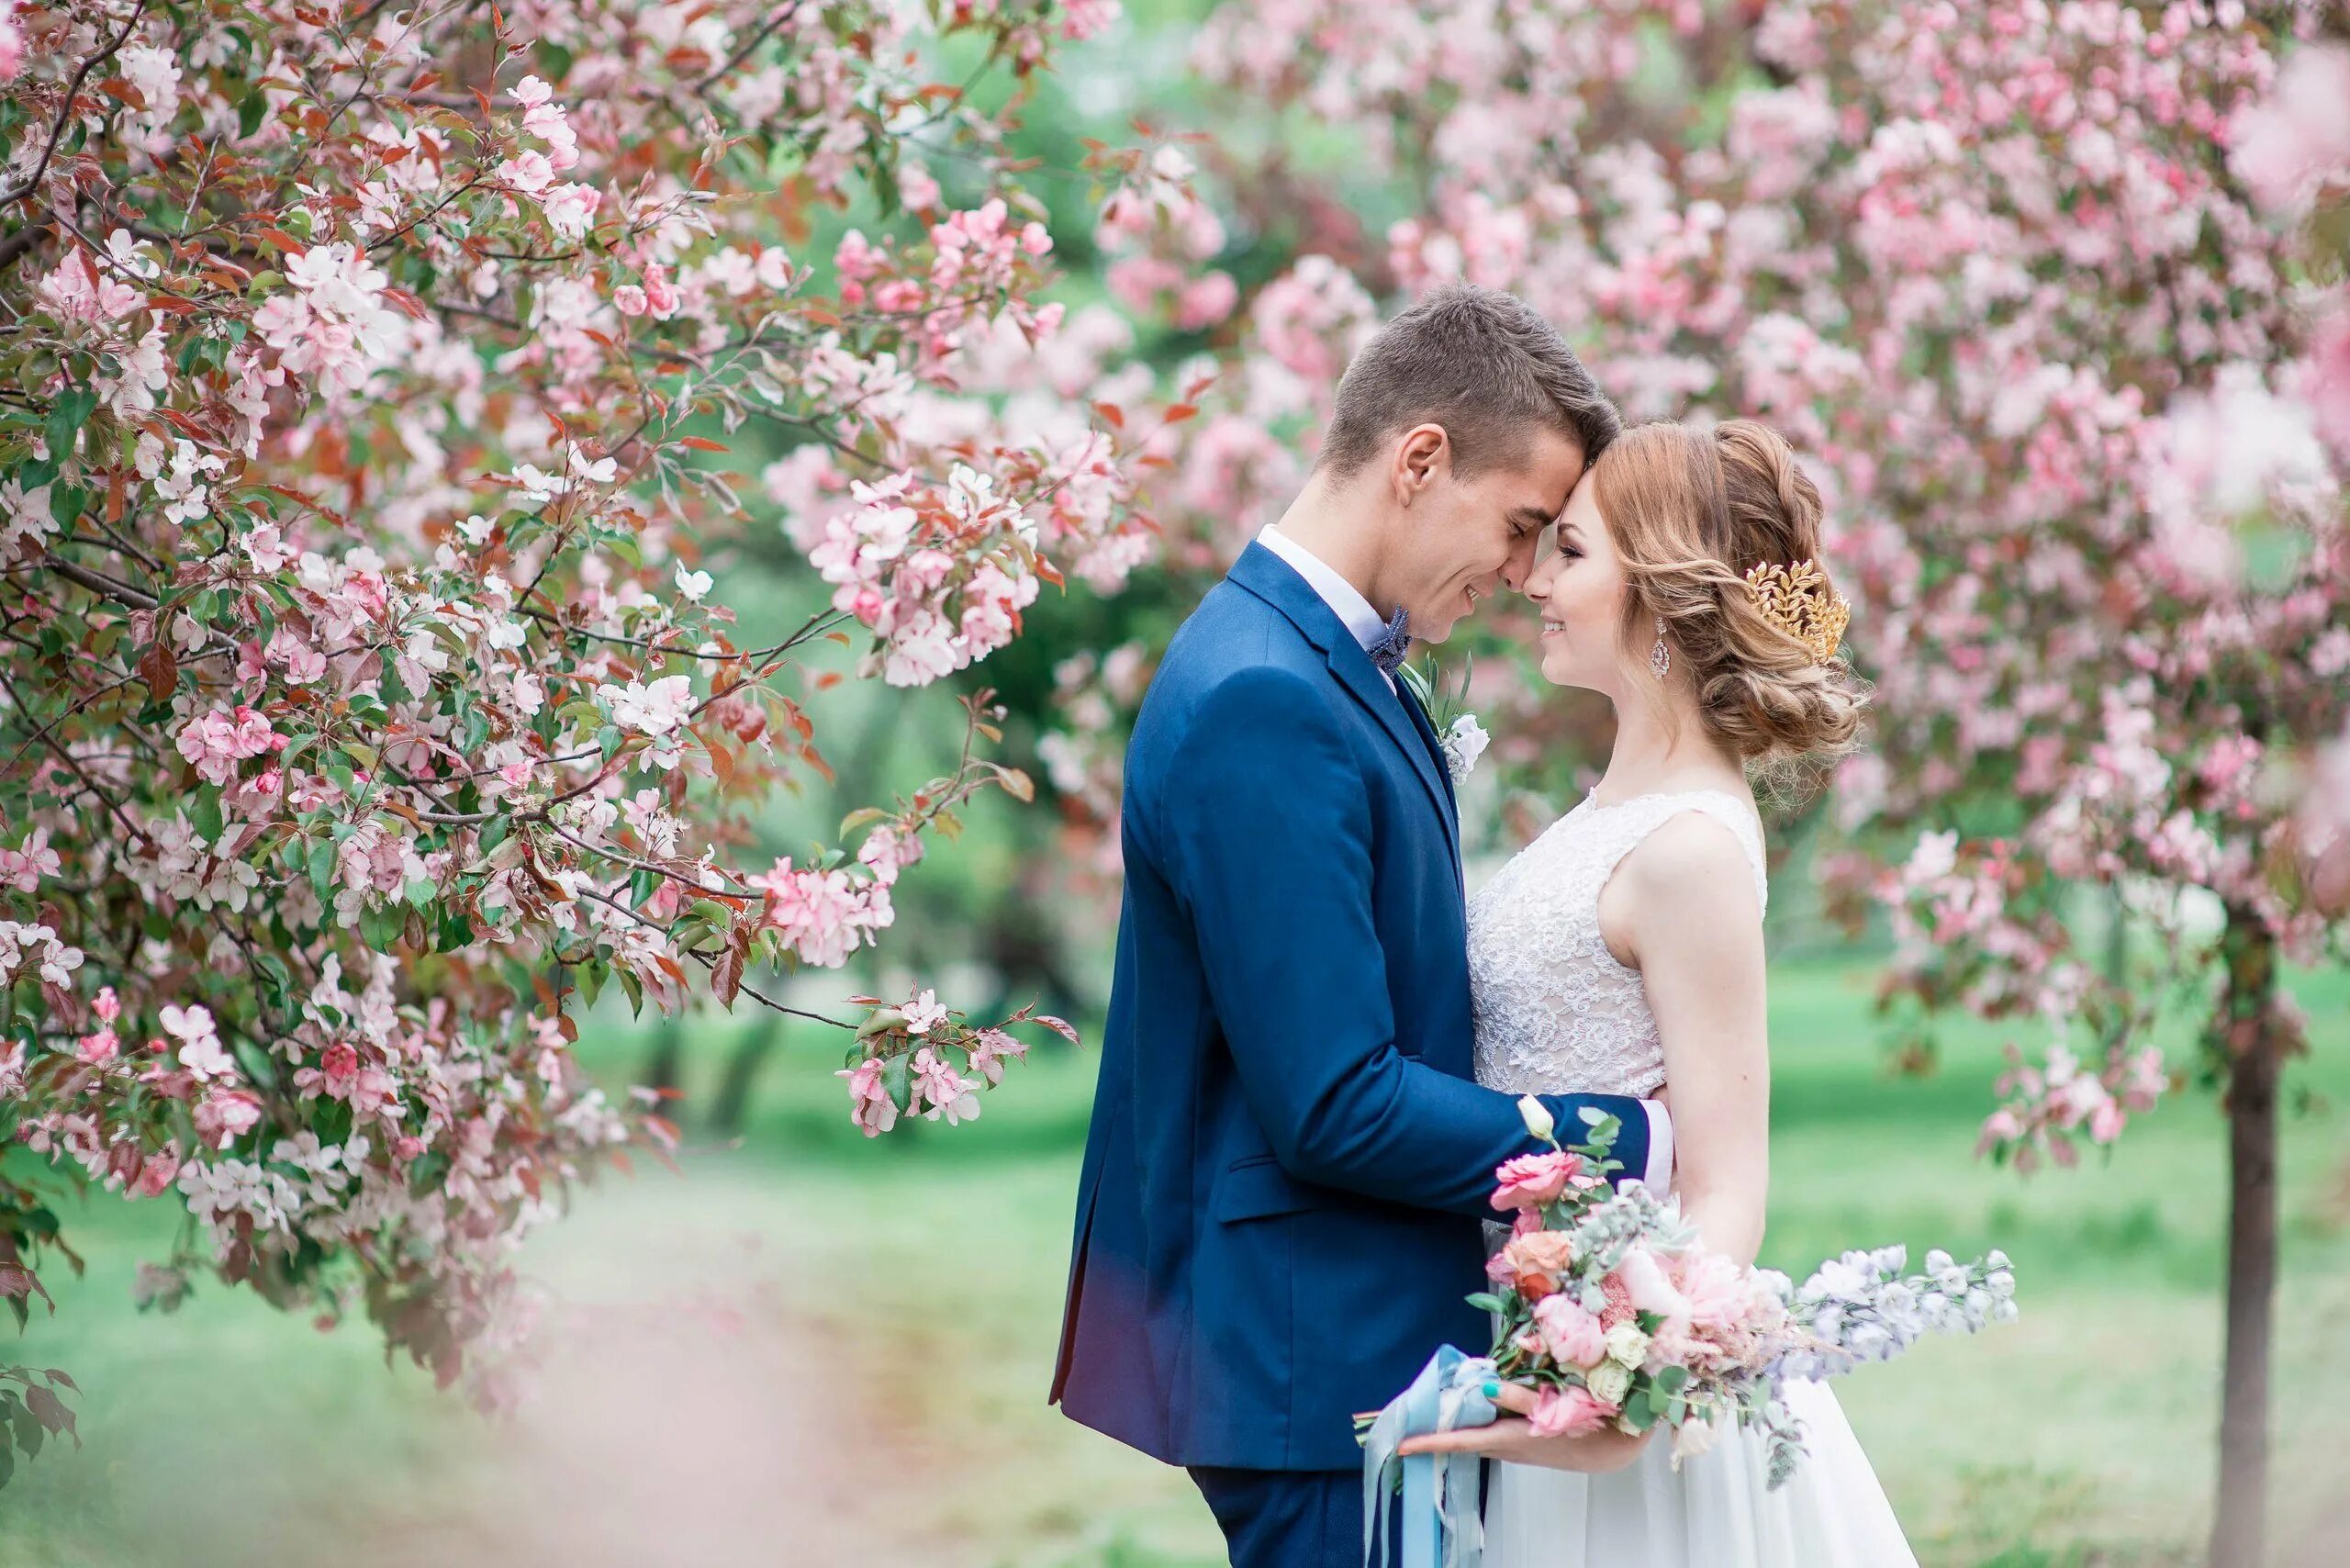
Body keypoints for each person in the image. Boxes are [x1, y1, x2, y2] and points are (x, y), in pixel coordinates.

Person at [1048, 284, 1676, 1568]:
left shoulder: (1308, 664)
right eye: (1517, 527)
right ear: (1420, 458)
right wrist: (1628, 1137)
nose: (1518, 574)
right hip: (1315, 1366)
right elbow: (1334, 1099)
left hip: (1345, 1345)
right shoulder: (1264, 698)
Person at [1397, 419, 1912, 1566]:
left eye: (1569, 553)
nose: (1529, 575)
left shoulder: (1690, 850)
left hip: (1622, 1399)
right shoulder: (1617, 810)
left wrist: (1627, 1386)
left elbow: (1727, 1185)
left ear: (1664, 600)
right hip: (1534, 1329)